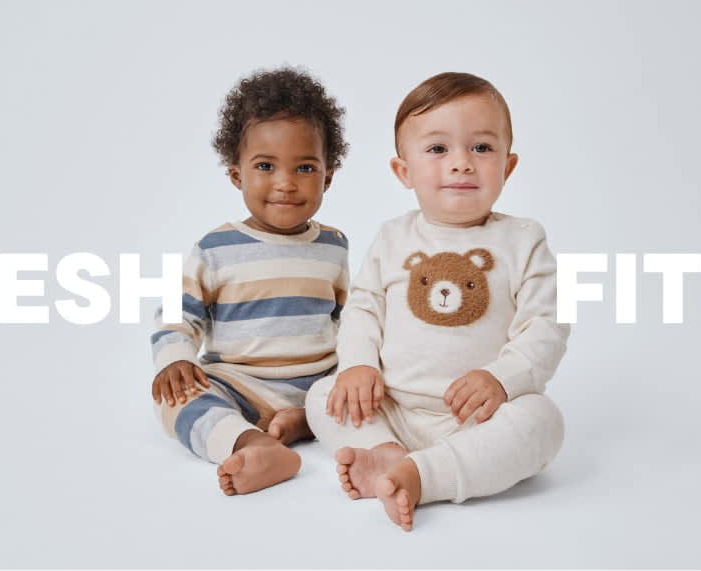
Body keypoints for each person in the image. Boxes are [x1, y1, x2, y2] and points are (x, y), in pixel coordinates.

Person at [306, 72, 569, 530]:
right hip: (391, 407)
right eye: (438, 149)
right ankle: (386, 452)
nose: (462, 163)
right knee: (325, 394)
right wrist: (358, 366)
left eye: (482, 148)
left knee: (542, 422)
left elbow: (547, 324)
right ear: (403, 171)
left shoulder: (522, 240)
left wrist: (501, 379)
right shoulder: (392, 237)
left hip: (477, 417)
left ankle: (425, 475)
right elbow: (364, 309)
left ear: (507, 166)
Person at [151, 67, 349, 495]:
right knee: (175, 402)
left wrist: (358, 372)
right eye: (265, 166)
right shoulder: (216, 248)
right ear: (237, 175)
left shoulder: (334, 246)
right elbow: (175, 312)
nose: (285, 184)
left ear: (327, 177)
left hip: (318, 385)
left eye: (305, 168)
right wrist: (175, 360)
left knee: (368, 393)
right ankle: (250, 442)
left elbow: (353, 320)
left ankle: (303, 422)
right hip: (238, 385)